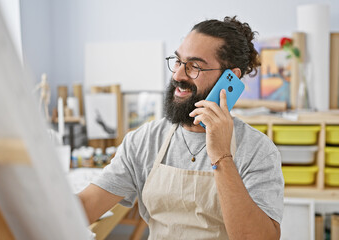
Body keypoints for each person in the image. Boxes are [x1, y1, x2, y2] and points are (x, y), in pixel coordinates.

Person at [78, 16, 284, 239]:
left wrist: (222, 157)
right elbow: (88, 204)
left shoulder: (257, 150)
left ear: (229, 78)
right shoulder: (145, 140)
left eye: (194, 66)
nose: (177, 75)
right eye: (177, 61)